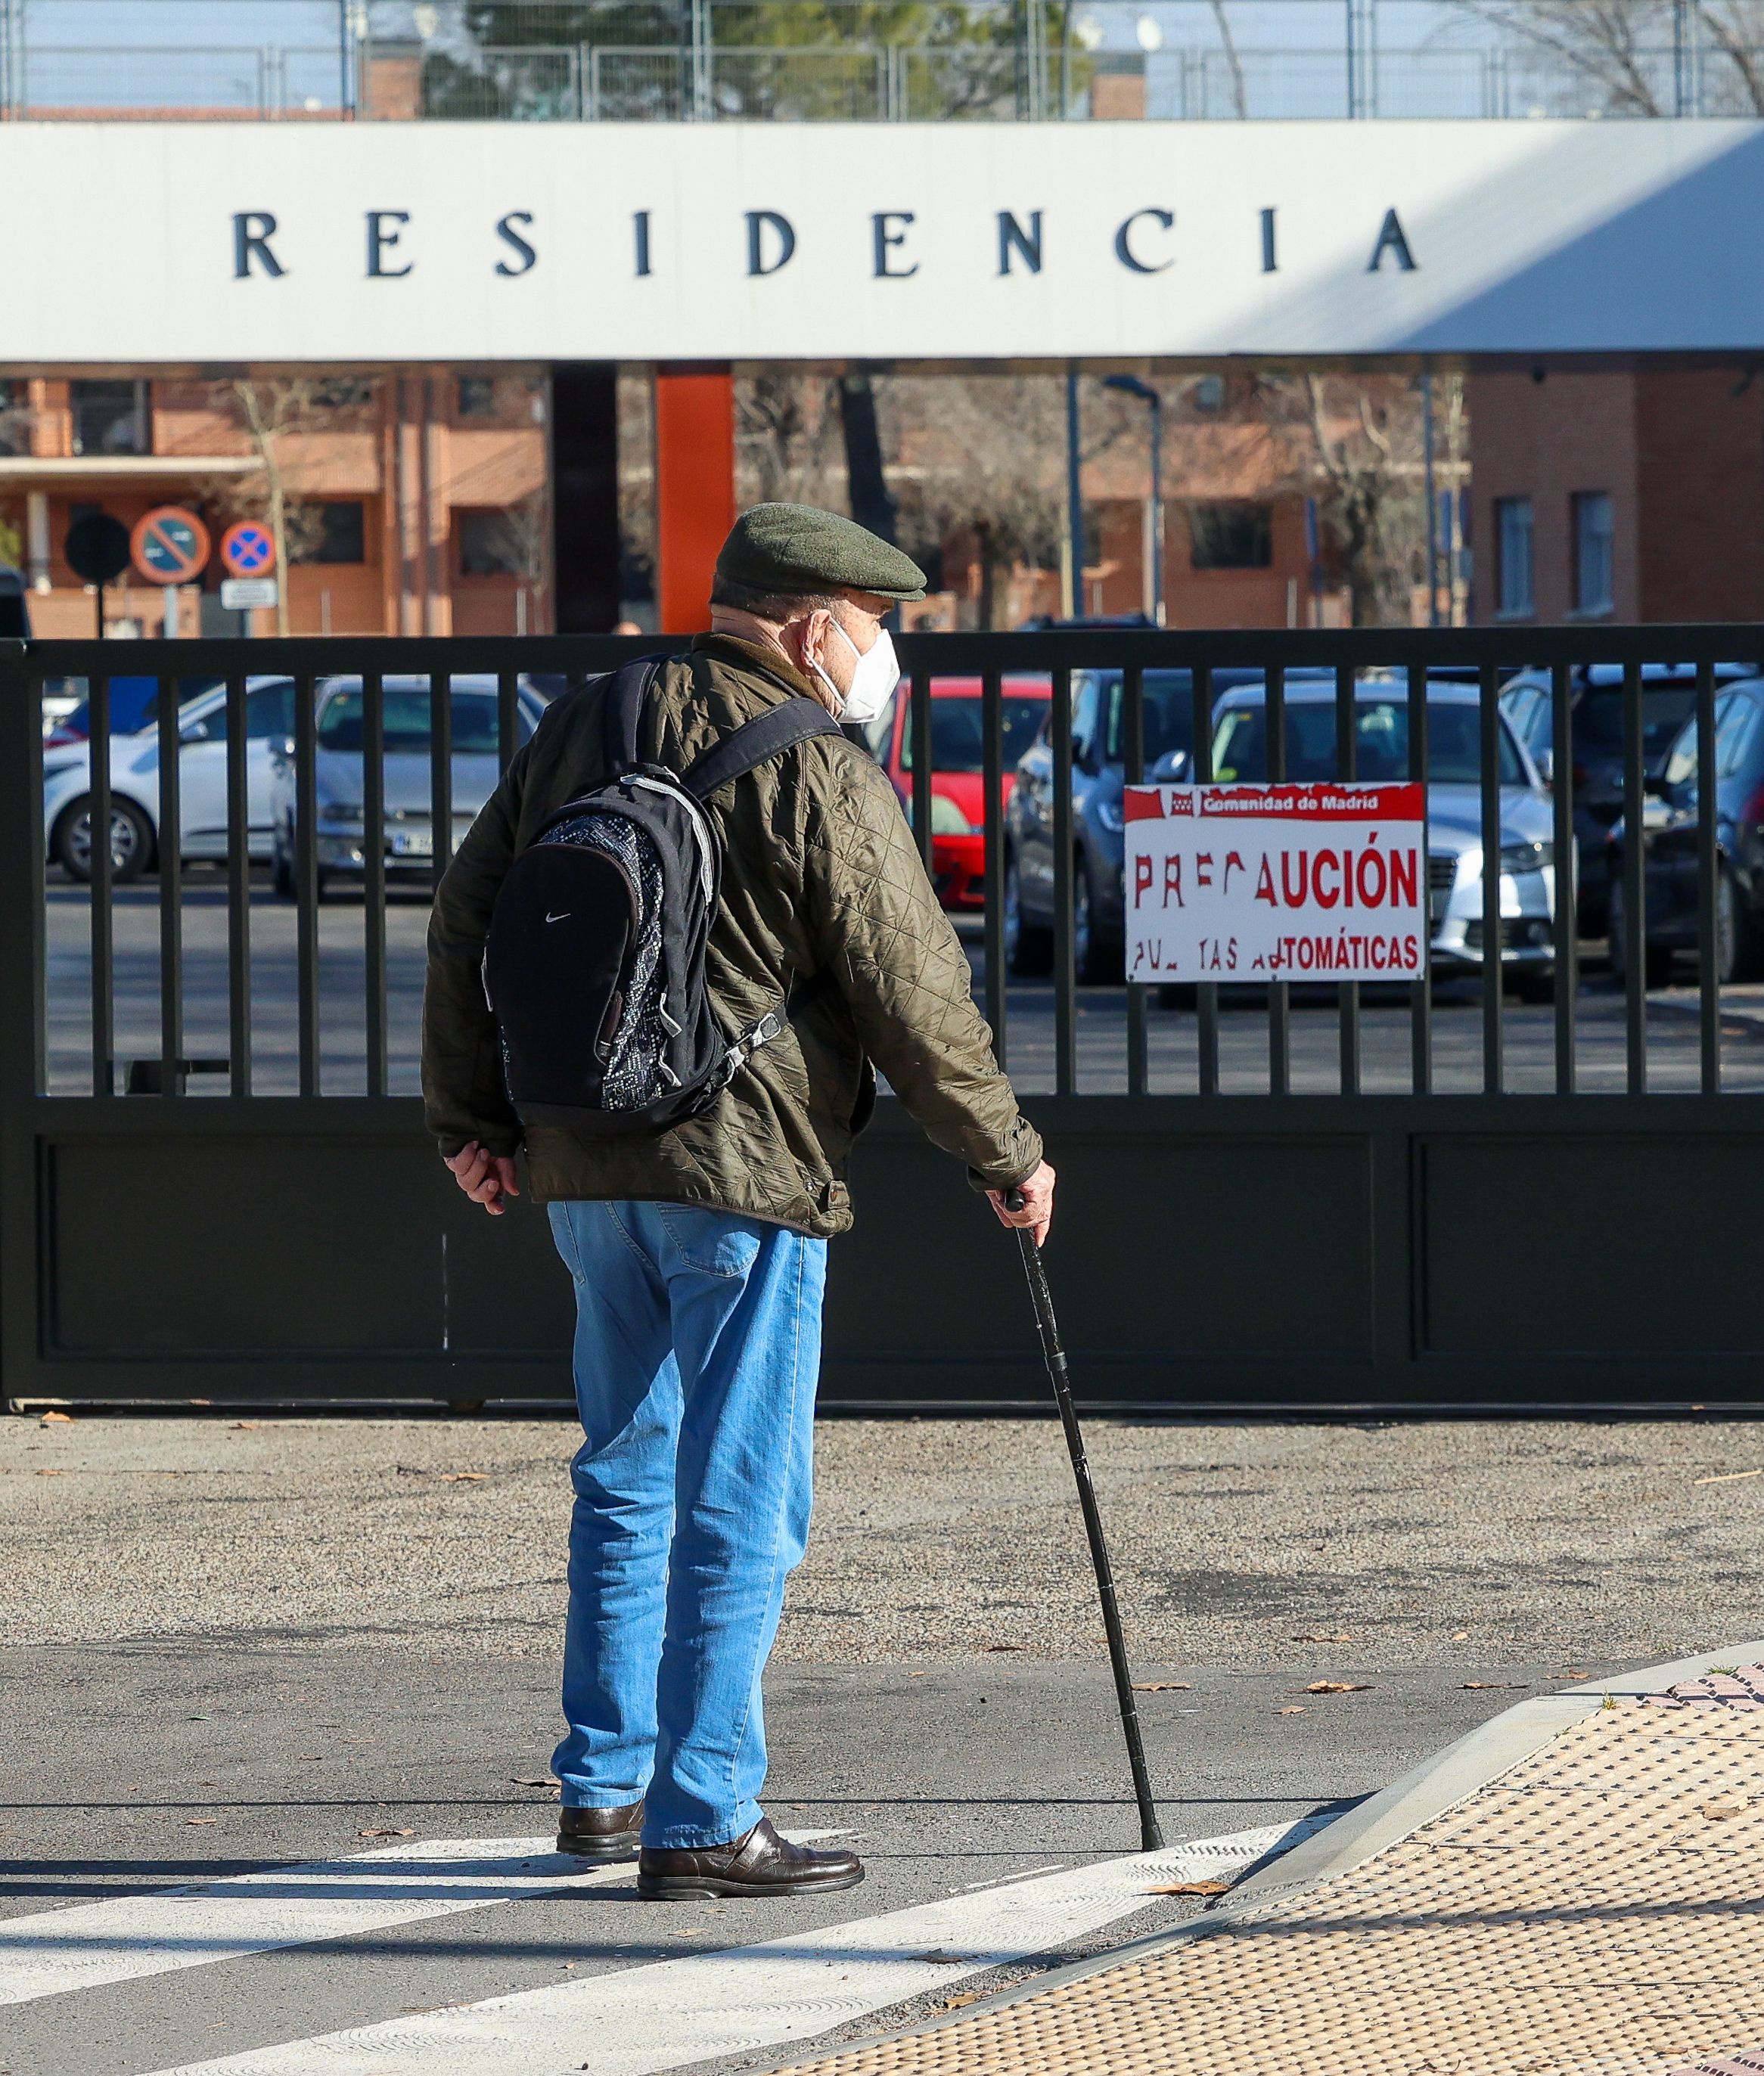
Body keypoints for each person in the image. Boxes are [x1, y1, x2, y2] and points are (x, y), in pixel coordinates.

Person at [422, 502, 1054, 1901]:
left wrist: (472, 1119)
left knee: (626, 1469)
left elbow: (466, 914)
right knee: (742, 1491)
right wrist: (1004, 1150)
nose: (882, 659)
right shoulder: (815, 759)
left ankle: (603, 1784)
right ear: (818, 622)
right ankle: (704, 1810)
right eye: (878, 628)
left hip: (586, 1161)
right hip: (745, 1170)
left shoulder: (586, 715)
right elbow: (909, 982)